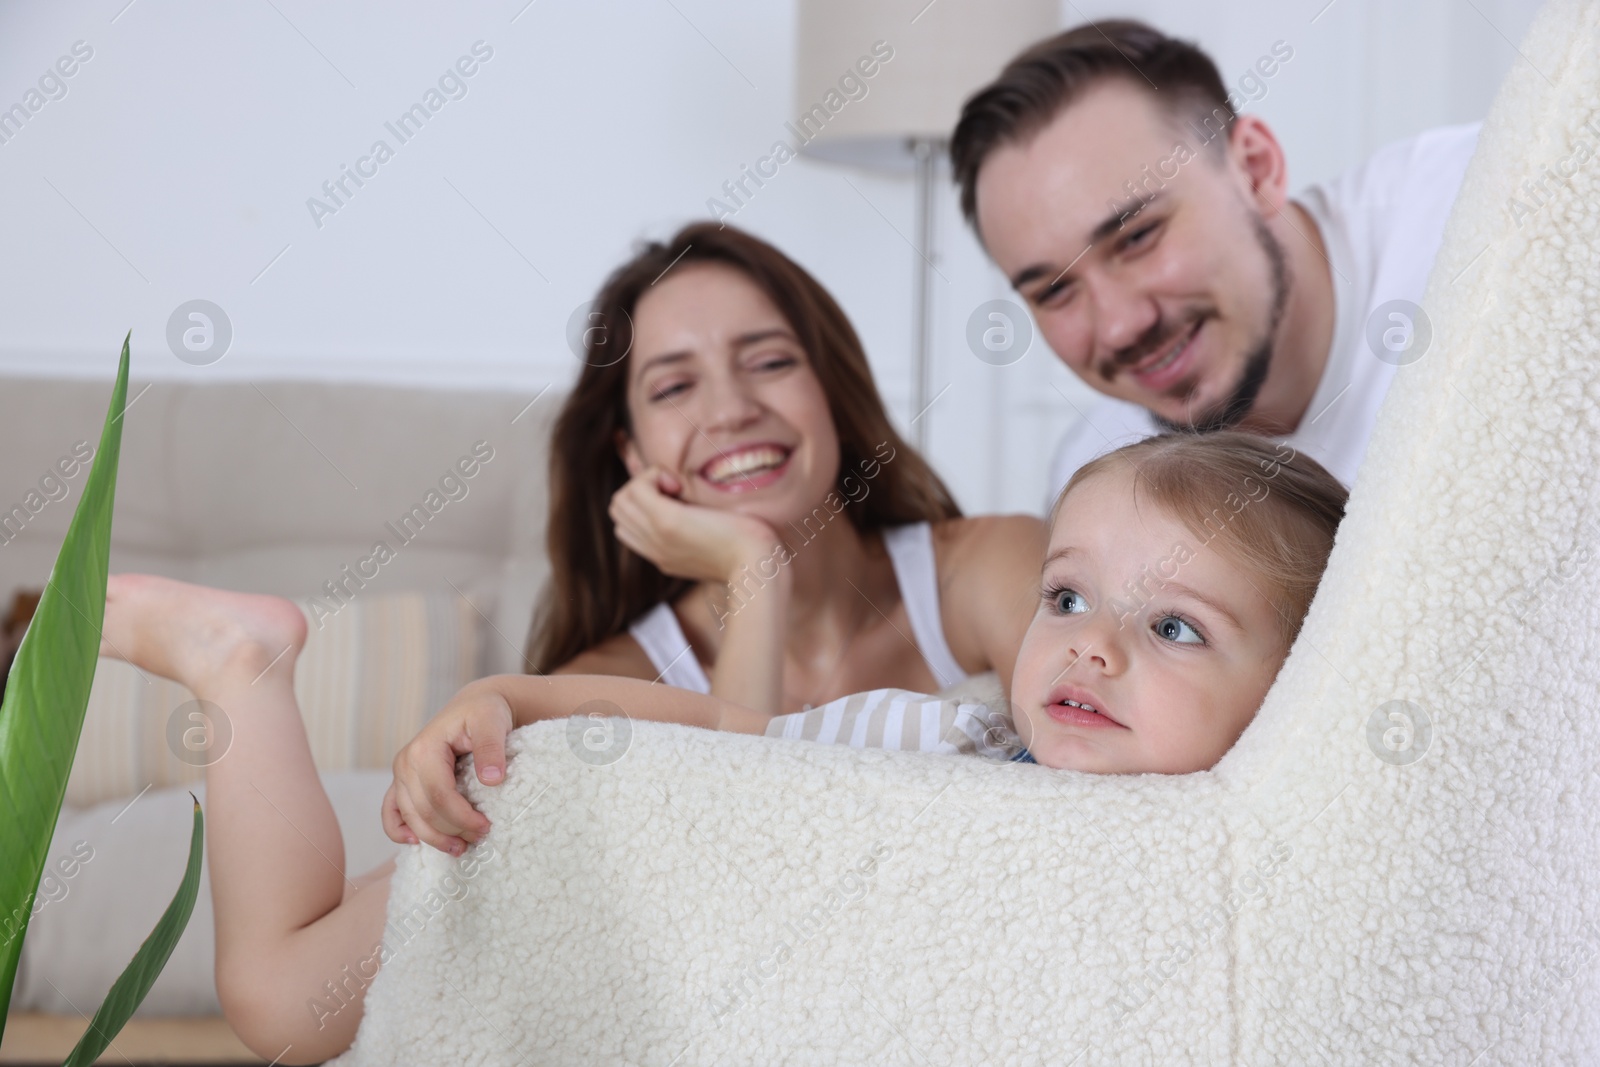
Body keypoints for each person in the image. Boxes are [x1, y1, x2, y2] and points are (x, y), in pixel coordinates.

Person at [86, 430, 1342, 1060]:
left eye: (1171, 624)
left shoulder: (1263, 842)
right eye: (1066, 600)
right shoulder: (954, 740)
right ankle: (240, 670)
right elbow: (738, 750)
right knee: (275, 995)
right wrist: (518, 697)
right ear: (628, 456)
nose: (1090, 646)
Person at [948, 20, 1480, 499]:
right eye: (1055, 290)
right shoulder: (1100, 479)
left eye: (1137, 238)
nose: (1119, 327)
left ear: (1255, 168)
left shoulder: (1487, 213)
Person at [529, 221, 1045, 715]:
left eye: (770, 363)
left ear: (833, 395)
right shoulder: (607, 684)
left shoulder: (990, 567)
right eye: (674, 388)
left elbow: (1107, 775)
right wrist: (753, 568)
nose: (731, 411)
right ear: (632, 454)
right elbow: (746, 803)